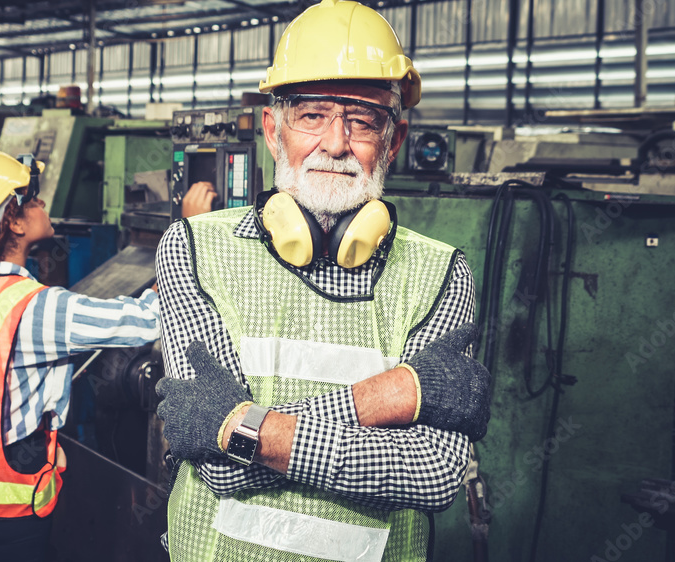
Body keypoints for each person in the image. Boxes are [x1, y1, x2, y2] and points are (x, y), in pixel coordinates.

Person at [153, 1, 492, 561]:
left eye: (362, 120)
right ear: (272, 128)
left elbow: (434, 475)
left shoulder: (441, 272)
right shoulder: (195, 248)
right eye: (311, 115)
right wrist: (390, 396)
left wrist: (244, 428)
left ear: (394, 139)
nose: (335, 143)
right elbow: (219, 473)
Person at [0, 146, 163, 562]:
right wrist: (188, 226)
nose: (42, 203)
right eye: (31, 197)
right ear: (14, 221)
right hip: (8, 511)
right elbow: (147, 321)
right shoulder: (39, 308)